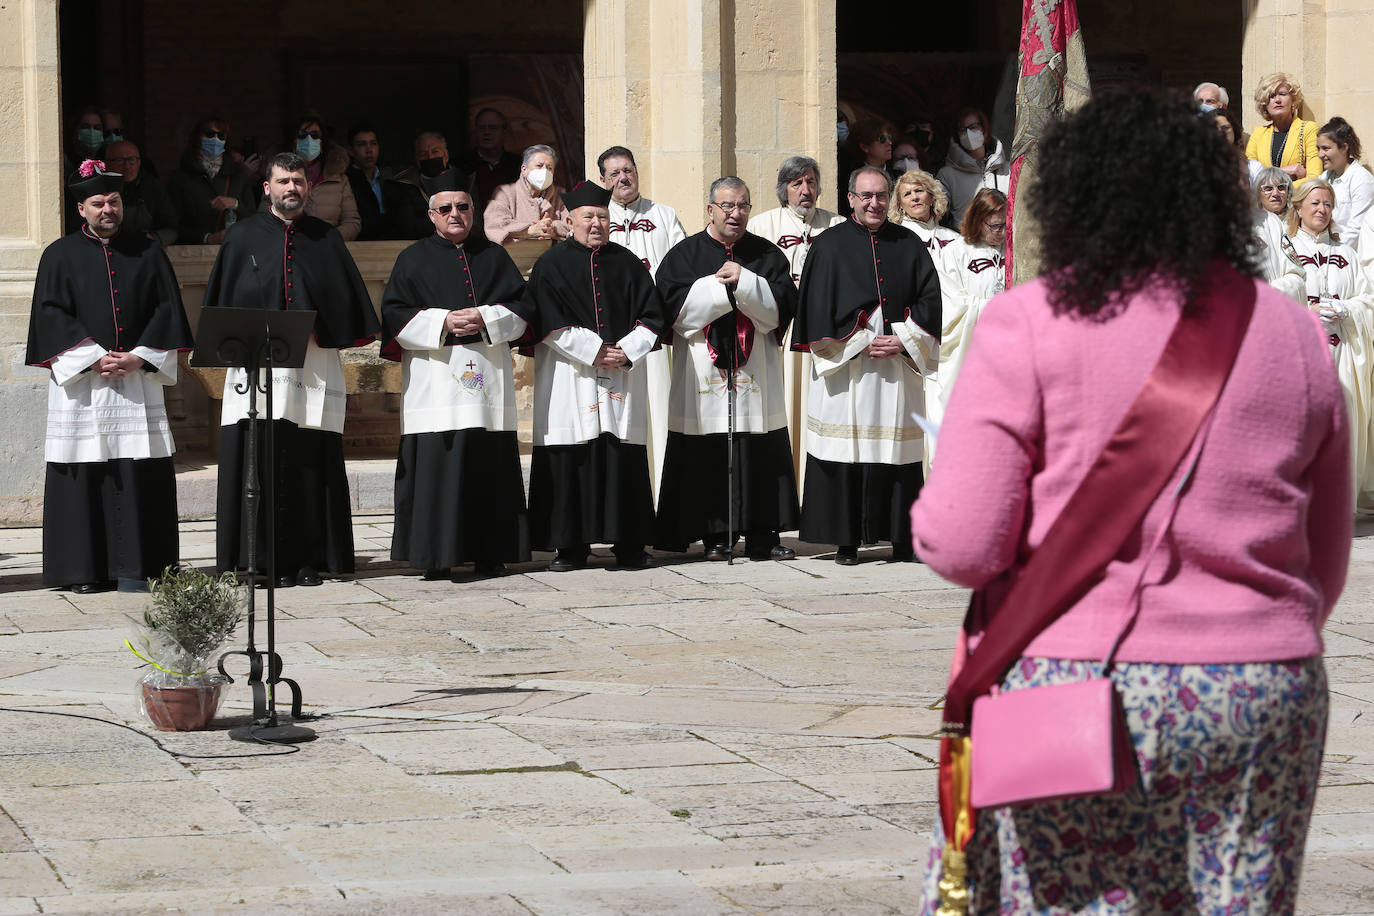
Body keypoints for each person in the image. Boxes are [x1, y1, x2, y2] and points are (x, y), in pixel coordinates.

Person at [912, 90, 1349, 916]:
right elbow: (1323, 560)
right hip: (1260, 684)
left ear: (1073, 197)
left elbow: (965, 545)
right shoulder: (1291, 331)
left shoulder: (1028, 322)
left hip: (1074, 681)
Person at [203, 152, 380, 587]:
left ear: (308, 187)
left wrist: (320, 319)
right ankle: (254, 560)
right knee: (256, 458)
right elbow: (225, 303)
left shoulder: (326, 239)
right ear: (267, 187)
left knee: (307, 460)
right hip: (256, 366)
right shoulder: (241, 238)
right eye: (283, 181)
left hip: (313, 365)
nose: (291, 189)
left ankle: (307, 559)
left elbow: (345, 303)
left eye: (298, 181)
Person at [26, 161, 193, 593]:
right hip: (84, 383)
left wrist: (138, 357)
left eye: (114, 202)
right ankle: (84, 571)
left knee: (137, 472)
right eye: (98, 203)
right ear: (81, 208)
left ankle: (142, 568)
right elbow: (49, 313)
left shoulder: (148, 251)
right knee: (84, 471)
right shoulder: (58, 255)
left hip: (136, 379)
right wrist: (92, 358)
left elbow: (167, 310)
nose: (107, 210)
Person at [380, 168, 534, 579]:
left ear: (473, 210)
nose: (455, 214)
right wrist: (444, 322)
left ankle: (491, 552)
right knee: (438, 469)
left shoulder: (494, 256)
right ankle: (435, 556)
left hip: (486, 383)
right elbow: (395, 315)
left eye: (463, 207)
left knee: (487, 467)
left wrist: (485, 317)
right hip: (435, 387)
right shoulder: (411, 259)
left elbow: (524, 310)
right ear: (431, 215)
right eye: (445, 208)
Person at [792, 166, 941, 565]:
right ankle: (846, 541)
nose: (874, 203)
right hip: (847, 371)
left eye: (880, 196)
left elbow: (929, 300)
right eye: (866, 196)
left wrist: (905, 338)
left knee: (898, 454)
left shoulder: (908, 243)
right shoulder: (828, 246)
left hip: (896, 366)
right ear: (851, 200)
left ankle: (902, 539)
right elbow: (816, 307)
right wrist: (857, 341)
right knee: (846, 452)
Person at [524, 181, 667, 571]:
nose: (597, 223)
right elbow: (545, 318)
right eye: (589, 216)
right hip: (569, 376)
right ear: (569, 220)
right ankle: (570, 546)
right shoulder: (551, 266)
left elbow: (653, 316)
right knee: (573, 454)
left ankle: (630, 545)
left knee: (621, 452)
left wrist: (629, 349)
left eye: (603, 216)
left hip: (620, 374)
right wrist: (594, 351)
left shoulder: (628, 262)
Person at [654, 177, 800, 560]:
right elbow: (675, 315)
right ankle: (715, 534)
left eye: (743, 206)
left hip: (757, 371)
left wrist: (747, 281)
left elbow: (782, 311)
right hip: (702, 369)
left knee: (758, 448)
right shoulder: (684, 255)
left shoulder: (767, 255)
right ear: (710, 209)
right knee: (708, 449)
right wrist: (719, 288)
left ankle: (762, 535)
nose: (736, 214)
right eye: (727, 206)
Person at [597, 145, 687, 497]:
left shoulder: (663, 215)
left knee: (661, 414)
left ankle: (664, 494)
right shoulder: (597, 217)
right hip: (616, 339)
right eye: (615, 173)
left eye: (629, 170)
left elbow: (682, 271)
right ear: (604, 180)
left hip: (657, 335)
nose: (624, 178)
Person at [1286, 177, 1374, 507]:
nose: (1322, 209)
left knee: (1340, 428)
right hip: (1299, 357)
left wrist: (1345, 308)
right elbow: (1269, 295)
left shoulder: (1346, 253)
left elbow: (1369, 300)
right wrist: (1305, 311)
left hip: (1341, 355)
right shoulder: (1286, 249)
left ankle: (1334, 509)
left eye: (1327, 204)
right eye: (1315, 203)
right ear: (1298, 208)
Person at [925, 188, 1006, 465]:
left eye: (1006, 225)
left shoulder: (1018, 250)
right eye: (995, 225)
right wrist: (995, 310)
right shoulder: (955, 253)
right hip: (968, 351)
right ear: (976, 220)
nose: (1001, 232)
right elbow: (951, 305)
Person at [749, 156, 846, 286]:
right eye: (797, 184)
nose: (806, 191)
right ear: (785, 191)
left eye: (810, 182)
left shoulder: (838, 224)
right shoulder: (760, 226)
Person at [267, 113, 361, 241]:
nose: (309, 140)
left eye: (315, 135)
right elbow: (266, 217)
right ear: (293, 142)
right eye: (302, 135)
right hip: (289, 248)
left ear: (322, 142)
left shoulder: (339, 179)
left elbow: (352, 222)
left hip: (328, 251)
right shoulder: (277, 178)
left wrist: (328, 239)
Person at [166, 115, 260, 244]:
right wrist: (207, 238)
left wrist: (235, 204)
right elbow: (172, 226)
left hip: (233, 251)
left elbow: (254, 219)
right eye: (210, 134)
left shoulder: (237, 175)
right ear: (197, 137)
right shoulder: (180, 178)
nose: (215, 140)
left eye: (221, 136)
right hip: (194, 256)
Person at [1245, 72, 1322, 188]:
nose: (1277, 100)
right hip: (1263, 204)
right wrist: (1284, 171)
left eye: (1282, 94)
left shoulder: (1308, 129)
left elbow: (1314, 177)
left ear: (1293, 99)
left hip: (1296, 202)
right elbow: (1249, 177)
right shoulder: (1258, 134)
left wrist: (1282, 191)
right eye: (1271, 96)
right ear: (1265, 103)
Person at [937, 106, 1011, 224]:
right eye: (963, 130)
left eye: (973, 127)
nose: (968, 133)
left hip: (1004, 238)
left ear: (984, 128)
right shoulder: (947, 175)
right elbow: (940, 215)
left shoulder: (1008, 170)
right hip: (967, 240)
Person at [484, 145, 570, 246]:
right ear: (524, 170)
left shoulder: (560, 194)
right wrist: (529, 230)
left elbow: (574, 223)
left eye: (549, 167)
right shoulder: (505, 193)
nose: (544, 171)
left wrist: (552, 228)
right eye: (539, 165)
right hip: (514, 257)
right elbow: (494, 224)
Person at [1249, 166, 1307, 301]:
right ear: (1258, 193)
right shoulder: (1252, 225)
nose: (1275, 193)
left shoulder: (1301, 222)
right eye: (1268, 188)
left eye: (1281, 187)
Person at [105, 140, 177, 246]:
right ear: (106, 164)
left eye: (132, 160)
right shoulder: (98, 189)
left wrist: (154, 238)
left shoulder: (153, 188)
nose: (127, 166)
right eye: (120, 161)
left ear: (139, 163)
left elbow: (172, 229)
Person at [389, 132, 456, 240]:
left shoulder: (461, 181)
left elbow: (473, 222)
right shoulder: (404, 185)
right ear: (417, 160)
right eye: (423, 154)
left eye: (435, 152)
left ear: (446, 155)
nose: (430, 157)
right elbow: (408, 227)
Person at [1316, 117, 1373, 242]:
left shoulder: (1362, 180)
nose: (1320, 154)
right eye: (1318, 149)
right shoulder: (1325, 177)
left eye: (1326, 148)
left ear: (1344, 147)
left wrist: (1335, 254)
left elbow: (1356, 229)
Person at [456, 107, 522, 211]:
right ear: (475, 131)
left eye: (493, 128)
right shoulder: (459, 166)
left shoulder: (519, 165)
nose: (487, 132)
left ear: (504, 132)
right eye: (482, 128)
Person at [888, 168, 959, 255]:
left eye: (919, 191)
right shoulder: (894, 240)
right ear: (900, 205)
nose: (914, 197)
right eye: (907, 194)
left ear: (932, 196)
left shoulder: (955, 238)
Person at [344, 122, 394, 240]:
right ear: (350, 150)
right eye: (362, 144)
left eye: (373, 143)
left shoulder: (391, 178)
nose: (369, 150)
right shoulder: (346, 181)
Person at [839, 120, 895, 216]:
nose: (889, 143)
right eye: (882, 139)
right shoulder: (850, 177)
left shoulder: (897, 175)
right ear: (865, 147)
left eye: (889, 138)